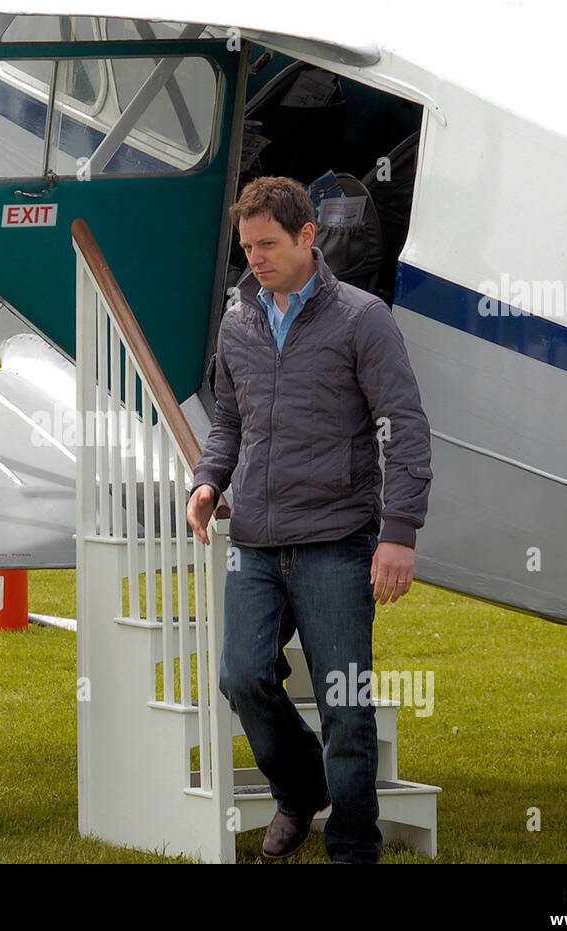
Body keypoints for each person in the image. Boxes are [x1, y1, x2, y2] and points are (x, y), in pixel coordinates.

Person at [186, 176, 432, 864]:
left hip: (337, 542)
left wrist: (399, 536)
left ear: (306, 237)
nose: (254, 258)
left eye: (267, 244)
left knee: (347, 712)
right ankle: (301, 790)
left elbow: (404, 431)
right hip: (257, 542)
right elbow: (230, 423)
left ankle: (354, 849)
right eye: (247, 246)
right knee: (241, 676)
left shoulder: (362, 320)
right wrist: (208, 482)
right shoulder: (238, 321)